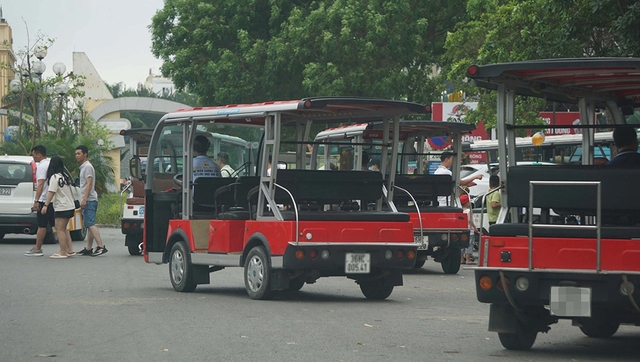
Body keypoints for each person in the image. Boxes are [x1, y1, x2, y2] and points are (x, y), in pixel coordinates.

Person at [75, 145, 108, 256]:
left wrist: (84, 199)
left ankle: (100, 246)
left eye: (79, 153)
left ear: (85, 154)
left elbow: (89, 183)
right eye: (76, 154)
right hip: (89, 199)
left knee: (90, 224)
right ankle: (89, 248)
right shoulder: (84, 167)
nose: (77, 156)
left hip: (89, 199)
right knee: (89, 224)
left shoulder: (87, 167)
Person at [41, 156, 76, 259]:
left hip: (62, 206)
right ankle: (69, 249)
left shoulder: (54, 177)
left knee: (59, 229)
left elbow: (51, 192)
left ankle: (62, 251)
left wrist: (45, 205)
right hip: (70, 206)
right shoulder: (65, 176)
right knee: (65, 229)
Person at [25, 145, 54, 257]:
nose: (33, 158)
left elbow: (40, 184)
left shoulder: (41, 166)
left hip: (43, 199)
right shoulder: (50, 162)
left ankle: (37, 248)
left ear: (39, 154)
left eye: (34, 155)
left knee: (42, 225)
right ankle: (67, 248)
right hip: (52, 198)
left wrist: (36, 200)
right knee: (59, 226)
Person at [459, 194, 478, 265]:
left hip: (462, 230)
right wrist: (475, 228)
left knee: (461, 245)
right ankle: (467, 260)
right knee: (469, 245)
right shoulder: (468, 210)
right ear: (467, 203)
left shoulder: (460, 210)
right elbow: (469, 220)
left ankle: (461, 259)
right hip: (469, 231)